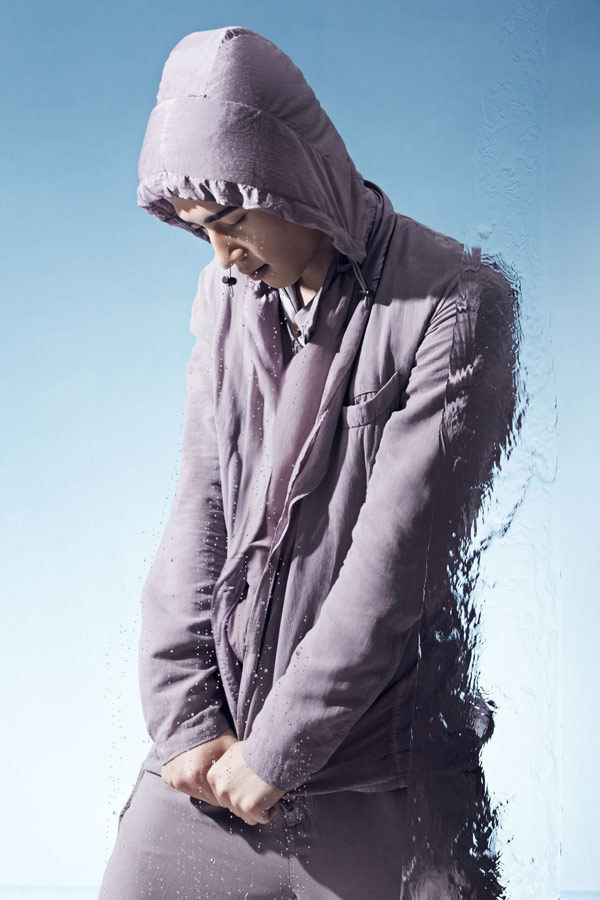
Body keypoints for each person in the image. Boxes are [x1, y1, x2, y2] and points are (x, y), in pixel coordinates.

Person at [99, 25, 516, 899]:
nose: (222, 255)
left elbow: (394, 568)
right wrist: (186, 721)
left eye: (232, 222)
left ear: (291, 179)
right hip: (222, 765)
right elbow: (200, 507)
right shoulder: (225, 295)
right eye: (200, 233)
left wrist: (278, 752)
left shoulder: (455, 302)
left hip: (387, 784)